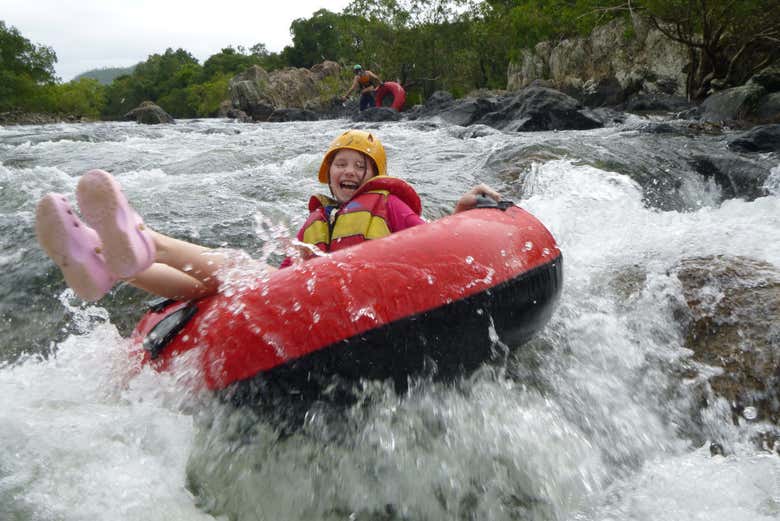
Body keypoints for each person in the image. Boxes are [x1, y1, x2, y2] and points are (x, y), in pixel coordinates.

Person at [35, 130, 501, 303]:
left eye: (360, 167)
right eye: (342, 163)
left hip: (359, 296)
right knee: (211, 288)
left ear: (372, 177)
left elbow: (432, 244)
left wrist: (460, 212)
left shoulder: (389, 205)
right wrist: (301, 254)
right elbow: (283, 283)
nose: (351, 171)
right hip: (315, 298)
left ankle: (146, 240)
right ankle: (106, 261)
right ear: (328, 173)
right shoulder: (314, 224)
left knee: (236, 270)